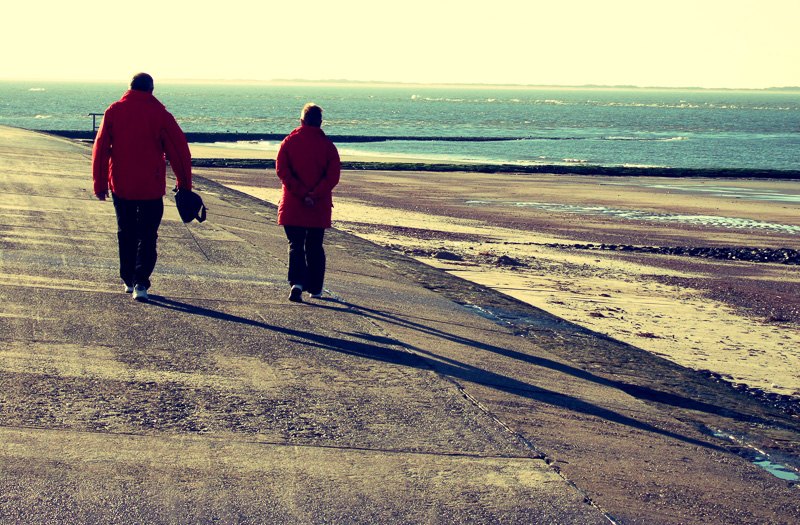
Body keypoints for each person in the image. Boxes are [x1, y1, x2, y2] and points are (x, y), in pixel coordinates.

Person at [92, 73, 193, 302]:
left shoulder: (114, 111)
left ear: (129, 88)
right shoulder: (160, 115)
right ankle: (140, 283)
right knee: (148, 236)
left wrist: (100, 183)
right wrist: (184, 185)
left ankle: (127, 279)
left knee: (125, 232)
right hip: (151, 187)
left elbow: (100, 149)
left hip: (121, 185)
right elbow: (179, 152)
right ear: (151, 89)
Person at [276, 103, 341, 302]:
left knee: (295, 244)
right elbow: (332, 177)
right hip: (318, 207)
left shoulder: (288, 142)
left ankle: (297, 283)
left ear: (302, 121)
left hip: (293, 204)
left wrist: (302, 193)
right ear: (320, 123)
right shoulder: (328, 147)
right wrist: (314, 195)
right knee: (315, 246)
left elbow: (282, 171)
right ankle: (315, 288)